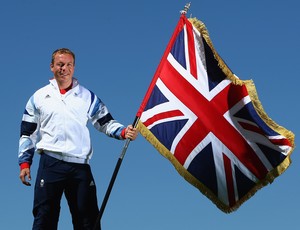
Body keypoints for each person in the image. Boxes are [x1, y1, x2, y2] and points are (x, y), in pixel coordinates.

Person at [18, 48, 138, 230]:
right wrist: (25, 163)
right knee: (44, 219)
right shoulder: (39, 97)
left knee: (88, 221)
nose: (64, 68)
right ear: (52, 67)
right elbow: (28, 133)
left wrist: (122, 132)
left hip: (80, 167)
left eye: (68, 65)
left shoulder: (87, 96)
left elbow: (105, 122)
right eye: (59, 64)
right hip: (51, 164)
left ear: (73, 68)